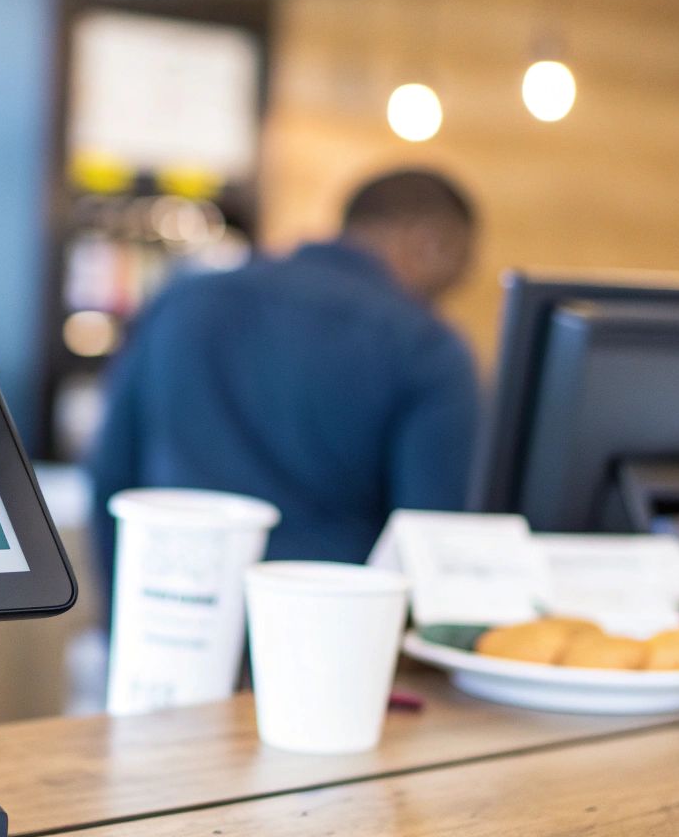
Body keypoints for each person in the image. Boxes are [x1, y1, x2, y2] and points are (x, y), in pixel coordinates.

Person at [86, 168, 481, 597]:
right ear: (430, 242)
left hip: (172, 606)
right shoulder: (426, 346)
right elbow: (431, 537)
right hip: (323, 630)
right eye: (461, 262)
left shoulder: (184, 301)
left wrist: (118, 622)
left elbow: (111, 474)